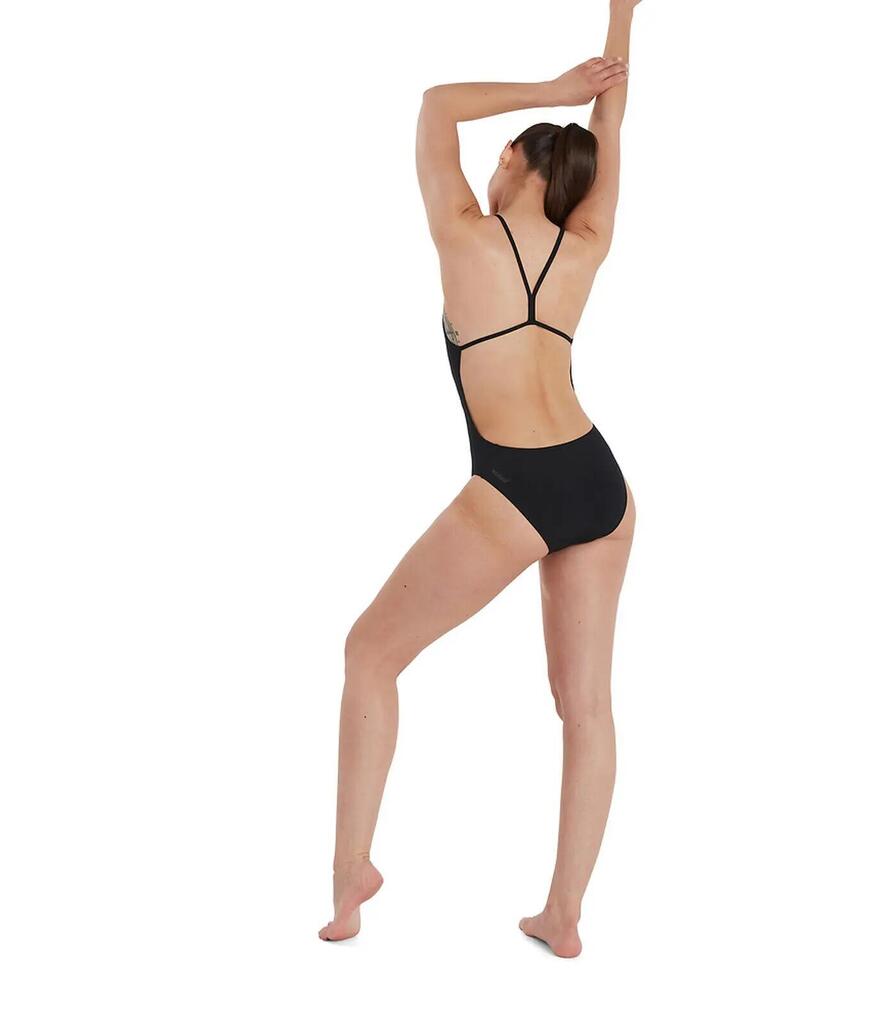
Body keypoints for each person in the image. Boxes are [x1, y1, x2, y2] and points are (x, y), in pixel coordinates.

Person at [320, 0, 642, 958]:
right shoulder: (587, 242)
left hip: (517, 484)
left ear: (509, 160)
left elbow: (435, 104)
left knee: (370, 653)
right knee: (585, 707)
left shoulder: (464, 232)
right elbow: (613, 120)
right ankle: (564, 915)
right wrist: (621, 20)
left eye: (500, 158)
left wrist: (553, 87)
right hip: (599, 482)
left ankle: (350, 878)